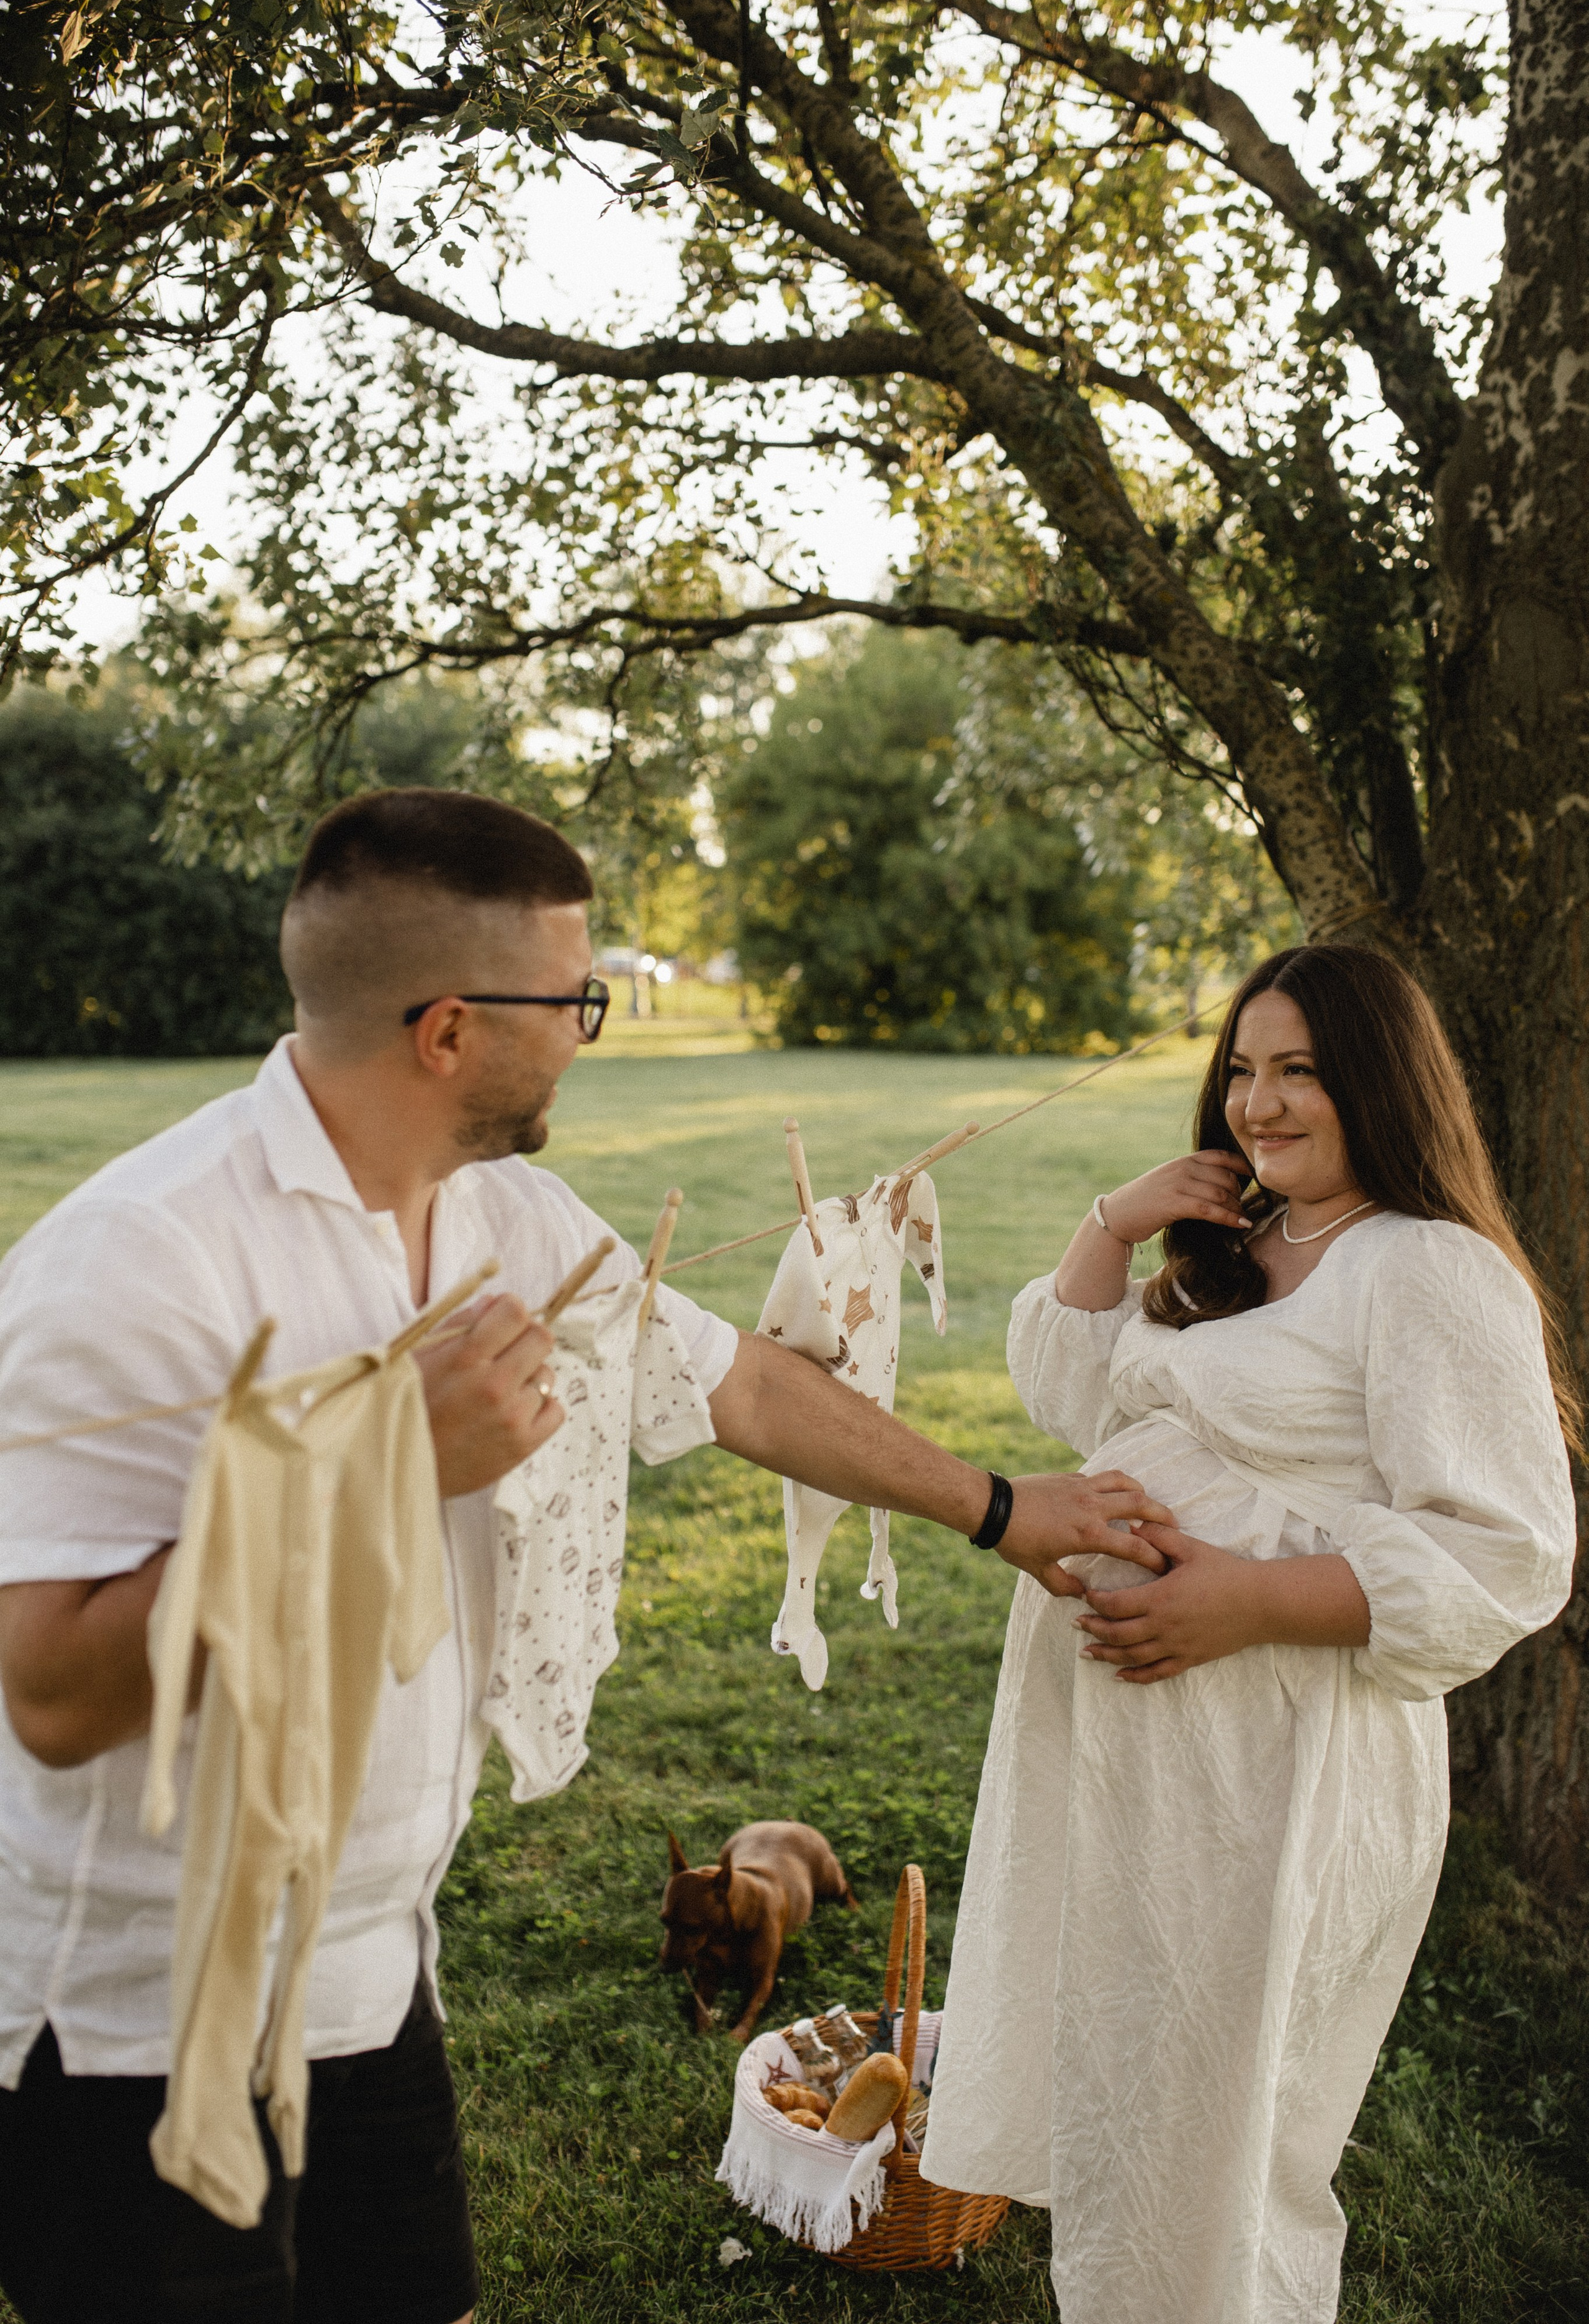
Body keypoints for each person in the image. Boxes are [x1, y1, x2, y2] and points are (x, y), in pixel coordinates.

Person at [0, 788, 1172, 2324]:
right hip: (138, 2019)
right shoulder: (140, 1259)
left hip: (371, 1965)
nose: (589, 1029)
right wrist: (386, 1466)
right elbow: (60, 1691)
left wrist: (1002, 1509)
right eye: (577, 1000)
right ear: (448, 1029)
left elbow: (738, 1382)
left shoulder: (505, 1212)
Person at [920, 942, 1579, 2324]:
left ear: (1381, 1085)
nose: (1256, 1104)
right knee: (1133, 2095)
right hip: (1126, 1759)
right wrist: (1116, 1218)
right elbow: (1071, 1390)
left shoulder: (1427, 1269)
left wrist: (1243, 1597)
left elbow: (1506, 1551)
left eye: (1298, 1072)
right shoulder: (1239, 1246)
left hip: (1282, 1763)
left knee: (1224, 2128)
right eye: (1240, 1070)